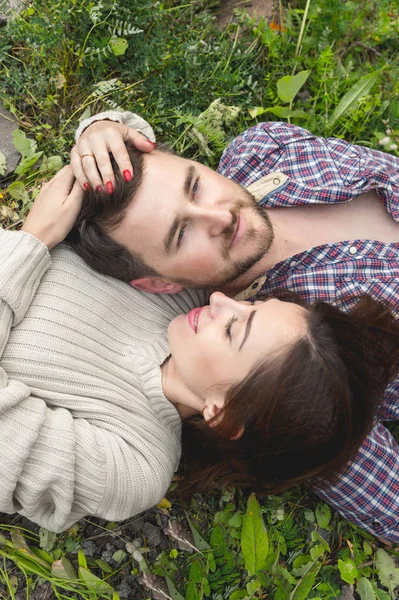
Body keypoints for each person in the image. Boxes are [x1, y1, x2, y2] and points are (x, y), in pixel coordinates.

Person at [1, 165, 398, 533]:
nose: (221, 302)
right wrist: (107, 132)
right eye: (251, 305)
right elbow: (141, 196)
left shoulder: (133, 467)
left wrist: (34, 241)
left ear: (223, 412)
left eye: (231, 329)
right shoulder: (176, 298)